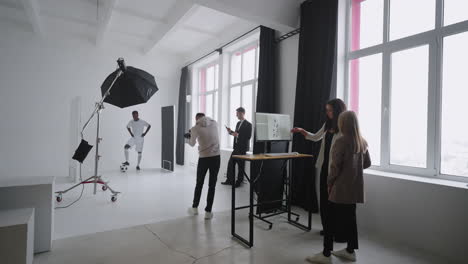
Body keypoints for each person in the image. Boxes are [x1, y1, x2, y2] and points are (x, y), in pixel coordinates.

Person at [305, 110, 371, 264]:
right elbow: (367, 163)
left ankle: (326, 254)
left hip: (339, 188)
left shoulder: (340, 141)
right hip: (354, 188)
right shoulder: (362, 141)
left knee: (329, 220)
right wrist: (353, 171)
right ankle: (350, 251)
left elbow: (334, 168)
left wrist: (329, 183)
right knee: (350, 219)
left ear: (343, 123)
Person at [291, 99, 347, 236]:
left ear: (338, 110)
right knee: (324, 200)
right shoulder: (327, 124)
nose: (327, 113)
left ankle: (338, 230)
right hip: (324, 166)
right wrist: (301, 131)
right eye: (326, 110)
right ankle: (327, 228)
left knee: (336, 201)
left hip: (336, 170)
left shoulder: (345, 127)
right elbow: (315, 137)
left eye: (330, 110)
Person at [186, 113, 221, 220]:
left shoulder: (195, 128)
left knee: (199, 183)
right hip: (216, 157)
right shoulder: (215, 123)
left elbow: (192, 144)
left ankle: (195, 208)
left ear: (197, 119)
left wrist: (189, 136)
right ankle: (208, 212)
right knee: (212, 185)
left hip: (204, 158)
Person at [221, 107, 252, 188]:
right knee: (230, 164)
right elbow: (236, 134)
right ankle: (230, 180)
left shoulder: (248, 124)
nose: (236, 115)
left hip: (242, 149)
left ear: (242, 113)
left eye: (237, 113)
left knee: (241, 166)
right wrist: (230, 132)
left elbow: (248, 137)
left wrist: (237, 135)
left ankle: (239, 182)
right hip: (236, 148)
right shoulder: (238, 123)